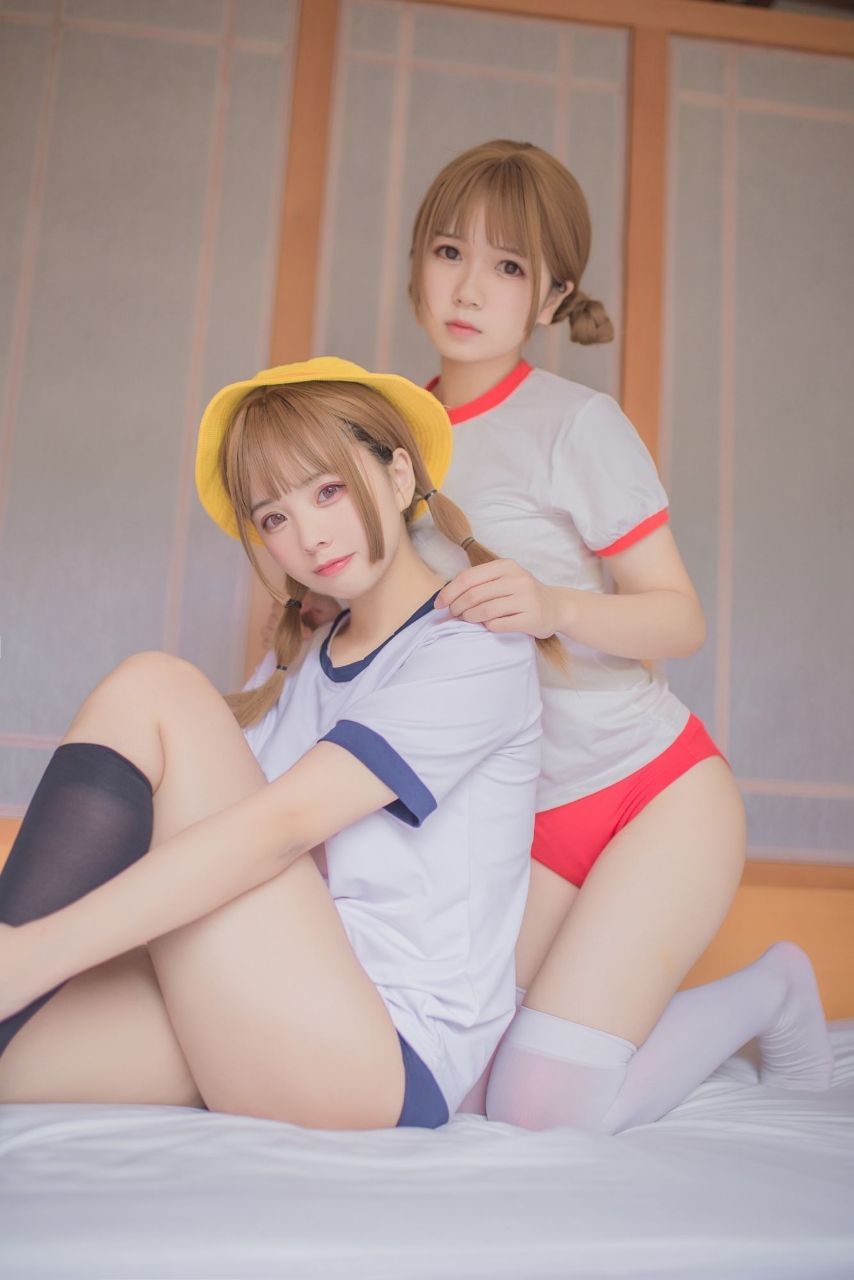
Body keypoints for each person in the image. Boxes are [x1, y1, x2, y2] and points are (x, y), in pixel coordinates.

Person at [402, 139, 832, 1131]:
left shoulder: (575, 424)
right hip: (520, 817)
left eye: (509, 266)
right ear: (415, 262)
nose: (468, 288)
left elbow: (679, 617)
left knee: (542, 1104)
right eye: (448, 251)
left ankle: (772, 987)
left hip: (652, 793)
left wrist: (553, 606)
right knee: (458, 1081)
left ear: (552, 296)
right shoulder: (386, 433)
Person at [0, 357, 544, 1130]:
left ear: (398, 478)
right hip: (270, 1010)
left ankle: (16, 951)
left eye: (327, 491)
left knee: (155, 687)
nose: (309, 536)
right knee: (17, 1056)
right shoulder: (299, 663)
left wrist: (35, 954)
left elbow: (277, 829)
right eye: (274, 518)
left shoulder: (474, 648)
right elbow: (202, 845)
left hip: (378, 1059)